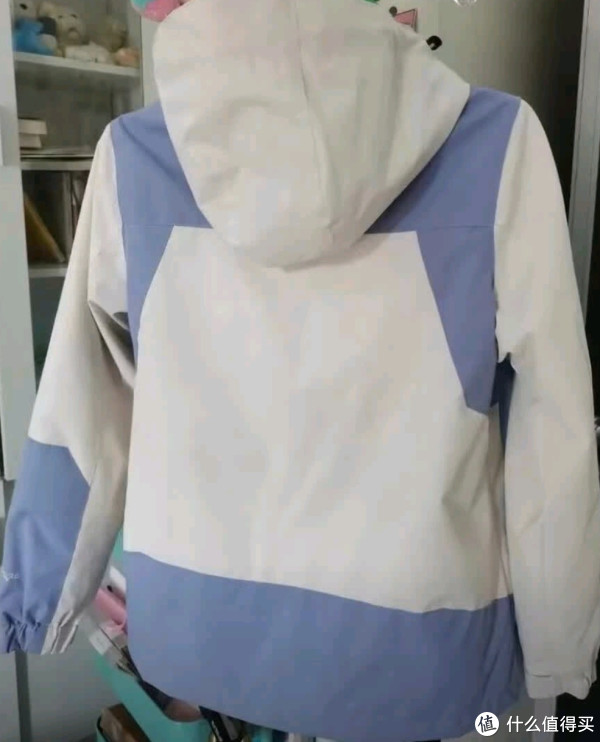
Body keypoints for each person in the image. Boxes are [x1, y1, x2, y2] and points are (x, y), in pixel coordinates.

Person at [2, 1, 599, 741]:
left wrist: (38, 595)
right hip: (422, 641)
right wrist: (560, 656)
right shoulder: (497, 142)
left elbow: (82, 399)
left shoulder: (136, 156)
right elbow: (552, 428)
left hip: (198, 629)